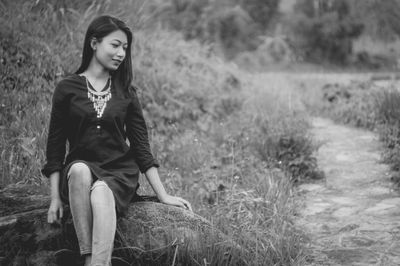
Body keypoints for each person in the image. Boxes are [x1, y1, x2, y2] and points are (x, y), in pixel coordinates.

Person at [41, 15, 192, 266]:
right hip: (80, 168)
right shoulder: (67, 88)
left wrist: (163, 195)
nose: (121, 53)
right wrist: (55, 199)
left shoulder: (126, 92)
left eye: (125, 47)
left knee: (101, 192)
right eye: (115, 45)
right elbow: (55, 147)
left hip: (118, 172)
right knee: (78, 170)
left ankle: (97, 263)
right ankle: (89, 256)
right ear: (94, 43)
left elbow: (141, 147)